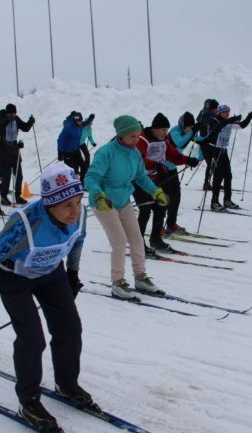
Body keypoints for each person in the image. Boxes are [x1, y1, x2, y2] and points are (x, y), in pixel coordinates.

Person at [0, 162, 89, 433]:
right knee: (32, 338)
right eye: (67, 205)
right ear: (49, 205)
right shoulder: (25, 224)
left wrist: (72, 274)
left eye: (78, 201)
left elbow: (77, 241)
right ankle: (29, 399)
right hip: (15, 278)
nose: (75, 211)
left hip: (51, 273)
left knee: (70, 327)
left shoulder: (79, 216)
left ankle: (67, 382)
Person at [84, 115, 169, 299]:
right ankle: (118, 282)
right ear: (121, 135)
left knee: (137, 239)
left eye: (138, 135)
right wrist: (98, 195)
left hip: (123, 201)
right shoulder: (106, 152)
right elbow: (91, 177)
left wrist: (156, 192)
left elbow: (141, 177)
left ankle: (140, 277)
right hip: (104, 203)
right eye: (132, 136)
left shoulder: (135, 153)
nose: (136, 139)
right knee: (120, 242)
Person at [135, 113, 198, 252]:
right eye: (163, 130)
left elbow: (173, 155)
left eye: (167, 130)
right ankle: (137, 245)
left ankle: (156, 239)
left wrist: (188, 160)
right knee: (145, 210)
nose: (165, 133)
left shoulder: (163, 140)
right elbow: (138, 159)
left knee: (161, 206)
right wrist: (154, 164)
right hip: (138, 180)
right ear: (155, 128)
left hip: (154, 179)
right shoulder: (142, 139)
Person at [201, 104, 252, 211]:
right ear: (219, 112)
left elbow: (242, 125)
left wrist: (249, 116)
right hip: (213, 150)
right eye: (225, 112)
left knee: (228, 175)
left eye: (228, 112)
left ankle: (227, 200)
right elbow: (219, 127)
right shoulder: (214, 121)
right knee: (218, 176)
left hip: (223, 150)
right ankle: (214, 202)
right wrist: (231, 120)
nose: (227, 113)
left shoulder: (229, 121)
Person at [0, 104, 35, 206]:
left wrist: (30, 122)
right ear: (6, 113)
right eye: (10, 113)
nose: (12, 115)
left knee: (19, 174)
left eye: (14, 113)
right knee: (6, 175)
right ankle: (3, 196)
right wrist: (7, 119)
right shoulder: (1, 120)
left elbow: (25, 127)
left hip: (15, 148)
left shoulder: (16, 119)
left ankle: (17, 196)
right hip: (4, 149)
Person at [167, 112, 201, 234]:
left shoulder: (188, 132)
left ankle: (171, 224)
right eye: (189, 127)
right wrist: (192, 132)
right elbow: (179, 143)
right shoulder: (174, 131)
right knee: (166, 197)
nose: (190, 129)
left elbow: (199, 141)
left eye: (192, 127)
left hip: (172, 168)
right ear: (183, 125)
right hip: (162, 168)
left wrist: (212, 133)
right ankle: (159, 226)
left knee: (176, 197)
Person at [196, 99, 218, 190]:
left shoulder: (203, 113)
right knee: (211, 163)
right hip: (206, 142)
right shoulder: (206, 115)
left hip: (210, 142)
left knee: (214, 163)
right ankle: (207, 183)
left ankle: (213, 182)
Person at [78, 113, 97, 183]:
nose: (90, 125)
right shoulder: (82, 128)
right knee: (79, 158)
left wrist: (93, 143)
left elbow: (90, 137)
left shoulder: (89, 130)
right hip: (76, 144)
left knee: (87, 155)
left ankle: (86, 168)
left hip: (82, 143)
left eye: (91, 124)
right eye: (89, 124)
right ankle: (81, 169)